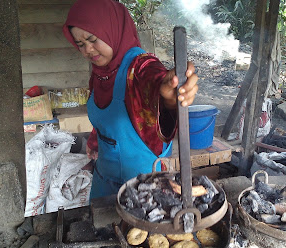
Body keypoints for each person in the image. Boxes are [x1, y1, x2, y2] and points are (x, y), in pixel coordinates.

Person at [63, 0, 198, 199]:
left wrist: (168, 94)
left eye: (92, 39)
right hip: (104, 182)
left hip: (143, 187)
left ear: (113, 29)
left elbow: (154, 82)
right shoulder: (100, 73)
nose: (88, 50)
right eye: (81, 44)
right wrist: (95, 141)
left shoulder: (140, 67)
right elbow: (106, 119)